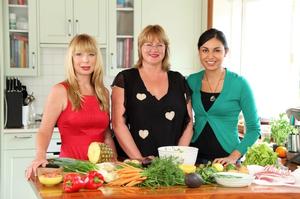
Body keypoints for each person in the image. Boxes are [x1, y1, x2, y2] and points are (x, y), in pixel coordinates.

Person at [26, 34, 116, 179]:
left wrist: (114, 163)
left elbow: (106, 136)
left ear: (97, 59)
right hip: (70, 169)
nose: (85, 60)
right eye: (79, 54)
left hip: (100, 171)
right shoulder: (60, 91)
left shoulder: (103, 92)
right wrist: (40, 156)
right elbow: (44, 130)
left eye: (91, 54)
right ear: (71, 58)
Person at [111, 25, 193, 160]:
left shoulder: (179, 80)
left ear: (166, 48)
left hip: (171, 165)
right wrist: (140, 160)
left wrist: (176, 159)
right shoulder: (125, 79)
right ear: (140, 48)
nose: (154, 49)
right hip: (133, 165)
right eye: (148, 44)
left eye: (159, 45)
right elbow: (118, 124)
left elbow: (189, 123)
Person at [187, 28, 261, 165]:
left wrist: (233, 157)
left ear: (226, 52)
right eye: (205, 50)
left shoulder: (240, 84)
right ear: (199, 52)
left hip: (226, 161)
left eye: (217, 50)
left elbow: (254, 129)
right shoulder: (191, 81)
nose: (210, 56)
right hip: (195, 159)